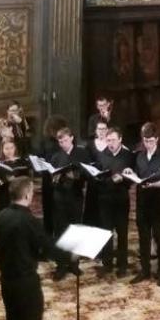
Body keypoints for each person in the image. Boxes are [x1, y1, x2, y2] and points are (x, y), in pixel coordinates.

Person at [0, 176, 73, 320]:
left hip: (6, 280)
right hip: (26, 282)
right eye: (32, 191)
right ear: (27, 195)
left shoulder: (1, 215)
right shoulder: (29, 220)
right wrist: (70, 256)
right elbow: (48, 247)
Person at [126, 122, 160, 286]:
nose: (148, 144)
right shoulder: (139, 155)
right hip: (142, 202)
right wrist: (132, 174)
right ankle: (145, 270)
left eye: (151, 141)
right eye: (145, 141)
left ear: (157, 139)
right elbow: (138, 176)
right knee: (143, 238)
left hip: (157, 201)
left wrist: (153, 184)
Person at [50, 127, 91, 281]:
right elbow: (52, 179)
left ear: (72, 138)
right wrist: (54, 180)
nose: (63, 144)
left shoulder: (82, 153)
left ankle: (74, 264)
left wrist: (76, 176)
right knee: (60, 231)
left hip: (75, 196)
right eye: (60, 141)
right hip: (59, 197)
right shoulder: (56, 157)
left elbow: (88, 174)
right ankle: (61, 265)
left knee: (75, 230)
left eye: (65, 140)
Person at [95, 127, 133, 279]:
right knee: (106, 233)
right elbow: (98, 177)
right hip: (105, 199)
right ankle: (107, 264)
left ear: (120, 140)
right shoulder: (102, 155)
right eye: (108, 140)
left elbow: (132, 178)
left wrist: (123, 179)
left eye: (113, 140)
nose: (110, 143)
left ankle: (122, 265)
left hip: (121, 199)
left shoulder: (128, 156)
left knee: (122, 233)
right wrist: (108, 180)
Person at [0, 139, 29, 261]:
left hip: (18, 198)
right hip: (2, 197)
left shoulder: (21, 163)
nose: (9, 151)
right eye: (6, 149)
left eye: (11, 148)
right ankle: (0, 250)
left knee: (18, 225)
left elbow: (27, 180)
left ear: (15, 148)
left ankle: (19, 250)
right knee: (2, 225)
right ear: (2, 150)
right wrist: (2, 181)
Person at [37, 115, 68, 237]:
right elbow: (40, 156)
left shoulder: (66, 140)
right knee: (48, 208)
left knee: (61, 209)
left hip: (62, 175)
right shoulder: (45, 141)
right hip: (48, 177)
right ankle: (49, 236)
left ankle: (61, 234)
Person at [83, 120, 109, 228]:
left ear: (107, 130)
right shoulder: (89, 145)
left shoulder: (111, 143)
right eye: (99, 129)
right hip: (93, 182)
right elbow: (86, 161)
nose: (102, 131)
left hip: (106, 182)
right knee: (92, 211)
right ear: (96, 131)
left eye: (104, 129)